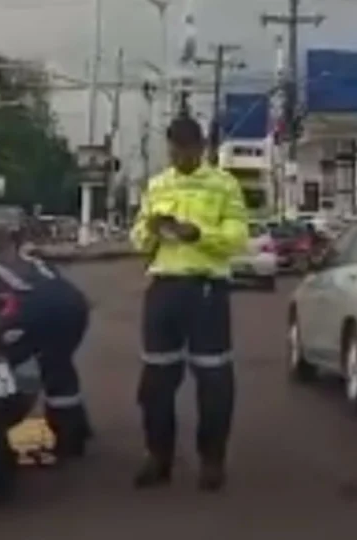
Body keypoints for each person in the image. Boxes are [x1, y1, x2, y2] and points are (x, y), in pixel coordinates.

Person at [130, 115, 249, 492]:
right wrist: (149, 231)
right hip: (163, 287)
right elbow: (138, 239)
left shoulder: (224, 185)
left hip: (206, 290)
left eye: (186, 151)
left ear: (201, 148)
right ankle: (157, 457)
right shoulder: (157, 185)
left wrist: (197, 234)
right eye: (173, 151)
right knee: (155, 381)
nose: (179, 157)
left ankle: (212, 461)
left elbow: (237, 238)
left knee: (214, 380)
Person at [0, 206, 93, 458]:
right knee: (58, 365)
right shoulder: (35, 260)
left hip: (30, 311)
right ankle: (74, 434)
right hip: (73, 308)